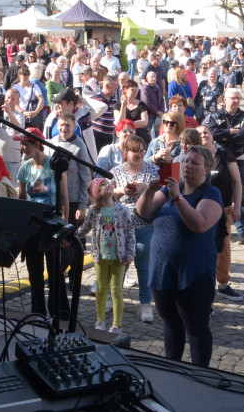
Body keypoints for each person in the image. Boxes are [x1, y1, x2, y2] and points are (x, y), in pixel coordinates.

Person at [137, 145, 223, 365]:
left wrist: (177, 197)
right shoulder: (169, 189)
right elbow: (143, 212)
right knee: (170, 324)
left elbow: (199, 224)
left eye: (195, 163)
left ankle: (200, 374)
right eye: (185, 161)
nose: (188, 165)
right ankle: (172, 369)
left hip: (193, 272)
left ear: (206, 170)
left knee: (195, 326)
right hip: (162, 268)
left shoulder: (210, 193)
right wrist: (149, 190)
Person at [15, 128, 70, 318]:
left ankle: (59, 311)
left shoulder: (55, 166)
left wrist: (65, 229)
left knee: (55, 271)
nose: (22, 147)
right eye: (21, 143)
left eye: (25, 143)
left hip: (53, 225)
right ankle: (37, 312)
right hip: (32, 226)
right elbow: (21, 199)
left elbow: (64, 199)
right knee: (34, 272)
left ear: (36, 144)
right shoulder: (24, 169)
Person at [113, 134, 161, 323]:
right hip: (121, 227)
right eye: (135, 151)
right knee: (119, 267)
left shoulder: (153, 170)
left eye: (142, 151)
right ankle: (112, 298)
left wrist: (147, 187)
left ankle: (145, 303)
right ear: (126, 151)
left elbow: (162, 192)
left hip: (145, 224)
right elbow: (106, 195)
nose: (139, 154)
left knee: (144, 266)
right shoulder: (116, 171)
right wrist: (120, 191)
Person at [79, 178, 135, 334]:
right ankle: (100, 320)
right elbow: (85, 228)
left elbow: (130, 232)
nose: (108, 185)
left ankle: (117, 324)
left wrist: (130, 253)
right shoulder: (94, 211)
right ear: (97, 193)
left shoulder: (122, 210)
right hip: (100, 258)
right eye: (102, 185)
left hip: (119, 258)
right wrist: (72, 235)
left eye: (108, 183)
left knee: (116, 291)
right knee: (102, 289)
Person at [198, 124, 242, 301]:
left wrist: (237, 206)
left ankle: (223, 283)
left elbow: (237, 182)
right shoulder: (195, 156)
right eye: (199, 133)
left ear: (212, 135)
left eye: (206, 132)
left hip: (223, 208)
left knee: (223, 246)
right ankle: (201, 283)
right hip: (199, 209)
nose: (203, 135)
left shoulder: (224, 155)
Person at [203, 88, 244, 242]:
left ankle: (242, 231)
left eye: (238, 98)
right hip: (219, 160)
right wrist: (230, 132)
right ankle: (214, 223)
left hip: (238, 159)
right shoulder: (215, 116)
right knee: (217, 193)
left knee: (240, 196)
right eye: (232, 98)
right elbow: (212, 134)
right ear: (225, 99)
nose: (235, 101)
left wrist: (223, 135)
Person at [0, 87, 25, 182]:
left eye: (13, 99)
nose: (9, 101)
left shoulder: (20, 116)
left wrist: (10, 113)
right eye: (8, 98)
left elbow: (19, 129)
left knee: (11, 188)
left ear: (18, 101)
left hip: (11, 160)